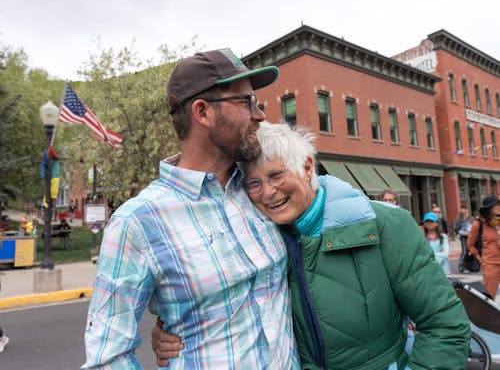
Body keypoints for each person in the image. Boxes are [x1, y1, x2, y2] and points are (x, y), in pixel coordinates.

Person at [153, 121, 470, 369]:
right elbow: (221, 299)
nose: (267, 192)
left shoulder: (387, 225)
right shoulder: (258, 240)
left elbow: (444, 325)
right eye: (254, 183)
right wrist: (171, 328)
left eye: (276, 174)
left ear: (306, 167)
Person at [82, 49, 300, 369]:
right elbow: (107, 357)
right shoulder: (137, 223)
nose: (260, 115)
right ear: (202, 112)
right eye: (246, 103)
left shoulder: (261, 190)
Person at [467, 196, 500, 299]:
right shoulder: (479, 224)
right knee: (489, 296)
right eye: (496, 205)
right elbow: (470, 244)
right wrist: (480, 259)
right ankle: (488, 315)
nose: (499, 206)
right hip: (490, 264)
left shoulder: (497, 221)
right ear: (489, 208)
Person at [454, 207, 472, 273]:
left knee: (467, 252)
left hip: (468, 237)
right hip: (464, 238)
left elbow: (469, 228)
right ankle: (461, 267)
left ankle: (467, 266)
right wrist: (466, 233)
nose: (468, 214)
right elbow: (457, 231)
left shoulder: (467, 220)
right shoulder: (459, 221)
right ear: (464, 214)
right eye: (466, 213)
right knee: (464, 252)